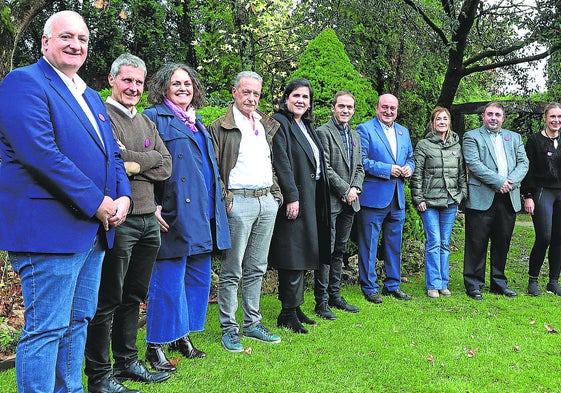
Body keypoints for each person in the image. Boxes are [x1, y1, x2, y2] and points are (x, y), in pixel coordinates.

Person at [0, 11, 131, 393]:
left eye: (83, 39)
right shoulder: (23, 83)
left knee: (77, 321)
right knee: (47, 328)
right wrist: (98, 202)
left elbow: (112, 156)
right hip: (49, 231)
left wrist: (122, 195)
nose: (76, 45)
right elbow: (41, 154)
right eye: (66, 37)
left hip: (92, 231)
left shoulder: (89, 94)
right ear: (44, 42)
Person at [84, 54, 173, 393]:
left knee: (134, 295)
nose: (134, 88)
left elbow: (165, 166)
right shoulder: (102, 115)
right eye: (127, 81)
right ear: (112, 80)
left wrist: (133, 162)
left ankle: (127, 362)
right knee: (108, 298)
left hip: (149, 219)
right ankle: (101, 375)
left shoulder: (146, 122)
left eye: (139, 82)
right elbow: (108, 161)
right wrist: (138, 161)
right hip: (119, 221)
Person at [142, 63, 231, 370]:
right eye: (176, 83)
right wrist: (151, 203)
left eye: (188, 83)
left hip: (203, 214)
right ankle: (155, 345)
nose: (183, 88)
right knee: (167, 281)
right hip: (173, 212)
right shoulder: (153, 118)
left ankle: (182, 336)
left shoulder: (198, 123)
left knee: (196, 279)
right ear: (163, 87)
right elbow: (141, 165)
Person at [208, 71, 283, 352]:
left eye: (256, 94)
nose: (251, 98)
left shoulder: (265, 124)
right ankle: (230, 328)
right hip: (238, 203)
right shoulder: (220, 126)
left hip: (266, 201)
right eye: (246, 92)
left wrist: (275, 195)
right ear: (234, 91)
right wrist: (226, 198)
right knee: (232, 269)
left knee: (257, 267)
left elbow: (271, 162)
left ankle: (252, 323)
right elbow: (213, 169)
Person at [270, 78, 331, 334]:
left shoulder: (306, 125)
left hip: (313, 195)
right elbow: (281, 162)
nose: (300, 101)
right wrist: (291, 196)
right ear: (286, 98)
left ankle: (295, 307)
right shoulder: (280, 123)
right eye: (296, 96)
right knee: (292, 254)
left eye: (305, 98)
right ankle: (287, 313)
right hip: (295, 197)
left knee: (306, 251)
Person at [462, 102, 528, 300]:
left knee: (502, 242)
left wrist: (510, 182)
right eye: (490, 114)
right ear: (483, 116)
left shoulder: (514, 138)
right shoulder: (472, 137)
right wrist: (499, 181)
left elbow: (524, 163)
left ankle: (499, 283)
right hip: (482, 196)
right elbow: (474, 164)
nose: (493, 118)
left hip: (508, 198)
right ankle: (473, 284)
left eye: (497, 115)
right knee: (476, 242)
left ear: (503, 118)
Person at [356, 94, 415, 304]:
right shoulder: (364, 129)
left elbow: (410, 157)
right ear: (376, 108)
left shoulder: (403, 131)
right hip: (374, 197)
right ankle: (369, 286)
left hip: (397, 197)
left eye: (393, 108)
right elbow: (361, 161)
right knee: (369, 244)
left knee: (394, 244)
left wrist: (410, 168)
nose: (388, 112)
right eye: (385, 107)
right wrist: (387, 169)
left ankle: (392, 285)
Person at [313, 91, 364, 319]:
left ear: (354, 110)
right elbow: (325, 168)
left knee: (340, 250)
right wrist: (345, 190)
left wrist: (355, 189)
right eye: (341, 106)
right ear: (333, 107)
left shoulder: (355, 135)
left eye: (349, 107)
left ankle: (335, 295)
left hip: (350, 202)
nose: (345, 110)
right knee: (327, 250)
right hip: (332, 201)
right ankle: (321, 302)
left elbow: (360, 167)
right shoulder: (323, 133)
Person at [410, 107, 467, 299]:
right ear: (432, 123)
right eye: (438, 119)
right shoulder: (423, 145)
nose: (442, 122)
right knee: (433, 242)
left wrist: (461, 195)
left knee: (445, 243)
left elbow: (461, 174)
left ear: (449, 122)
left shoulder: (456, 145)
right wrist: (418, 199)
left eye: (445, 119)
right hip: (429, 203)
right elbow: (416, 174)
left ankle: (443, 283)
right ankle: (433, 284)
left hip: (450, 201)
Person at [522, 103, 561, 296]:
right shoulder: (534, 141)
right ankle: (533, 280)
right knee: (544, 236)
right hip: (542, 192)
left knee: (558, 238)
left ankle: (553, 281)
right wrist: (528, 195)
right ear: (545, 118)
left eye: (559, 117)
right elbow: (527, 170)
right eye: (552, 116)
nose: (556, 120)